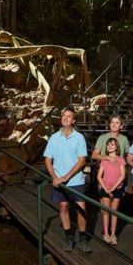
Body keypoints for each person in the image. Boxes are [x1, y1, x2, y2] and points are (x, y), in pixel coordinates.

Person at [43, 106, 91, 253]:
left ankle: (83, 238)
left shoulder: (79, 137)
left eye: (69, 116)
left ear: (73, 121)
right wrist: (55, 178)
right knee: (63, 207)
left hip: (75, 180)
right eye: (63, 115)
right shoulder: (54, 138)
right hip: (59, 180)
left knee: (81, 209)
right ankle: (69, 237)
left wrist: (66, 177)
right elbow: (47, 160)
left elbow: (82, 160)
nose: (65, 118)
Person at [96, 137, 126, 244]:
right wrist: (105, 188)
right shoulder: (104, 160)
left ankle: (113, 234)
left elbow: (122, 175)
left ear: (116, 147)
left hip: (116, 188)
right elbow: (99, 176)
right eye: (108, 145)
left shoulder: (120, 159)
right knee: (106, 212)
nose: (110, 146)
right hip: (105, 188)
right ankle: (106, 233)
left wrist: (113, 188)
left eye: (112, 144)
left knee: (114, 212)